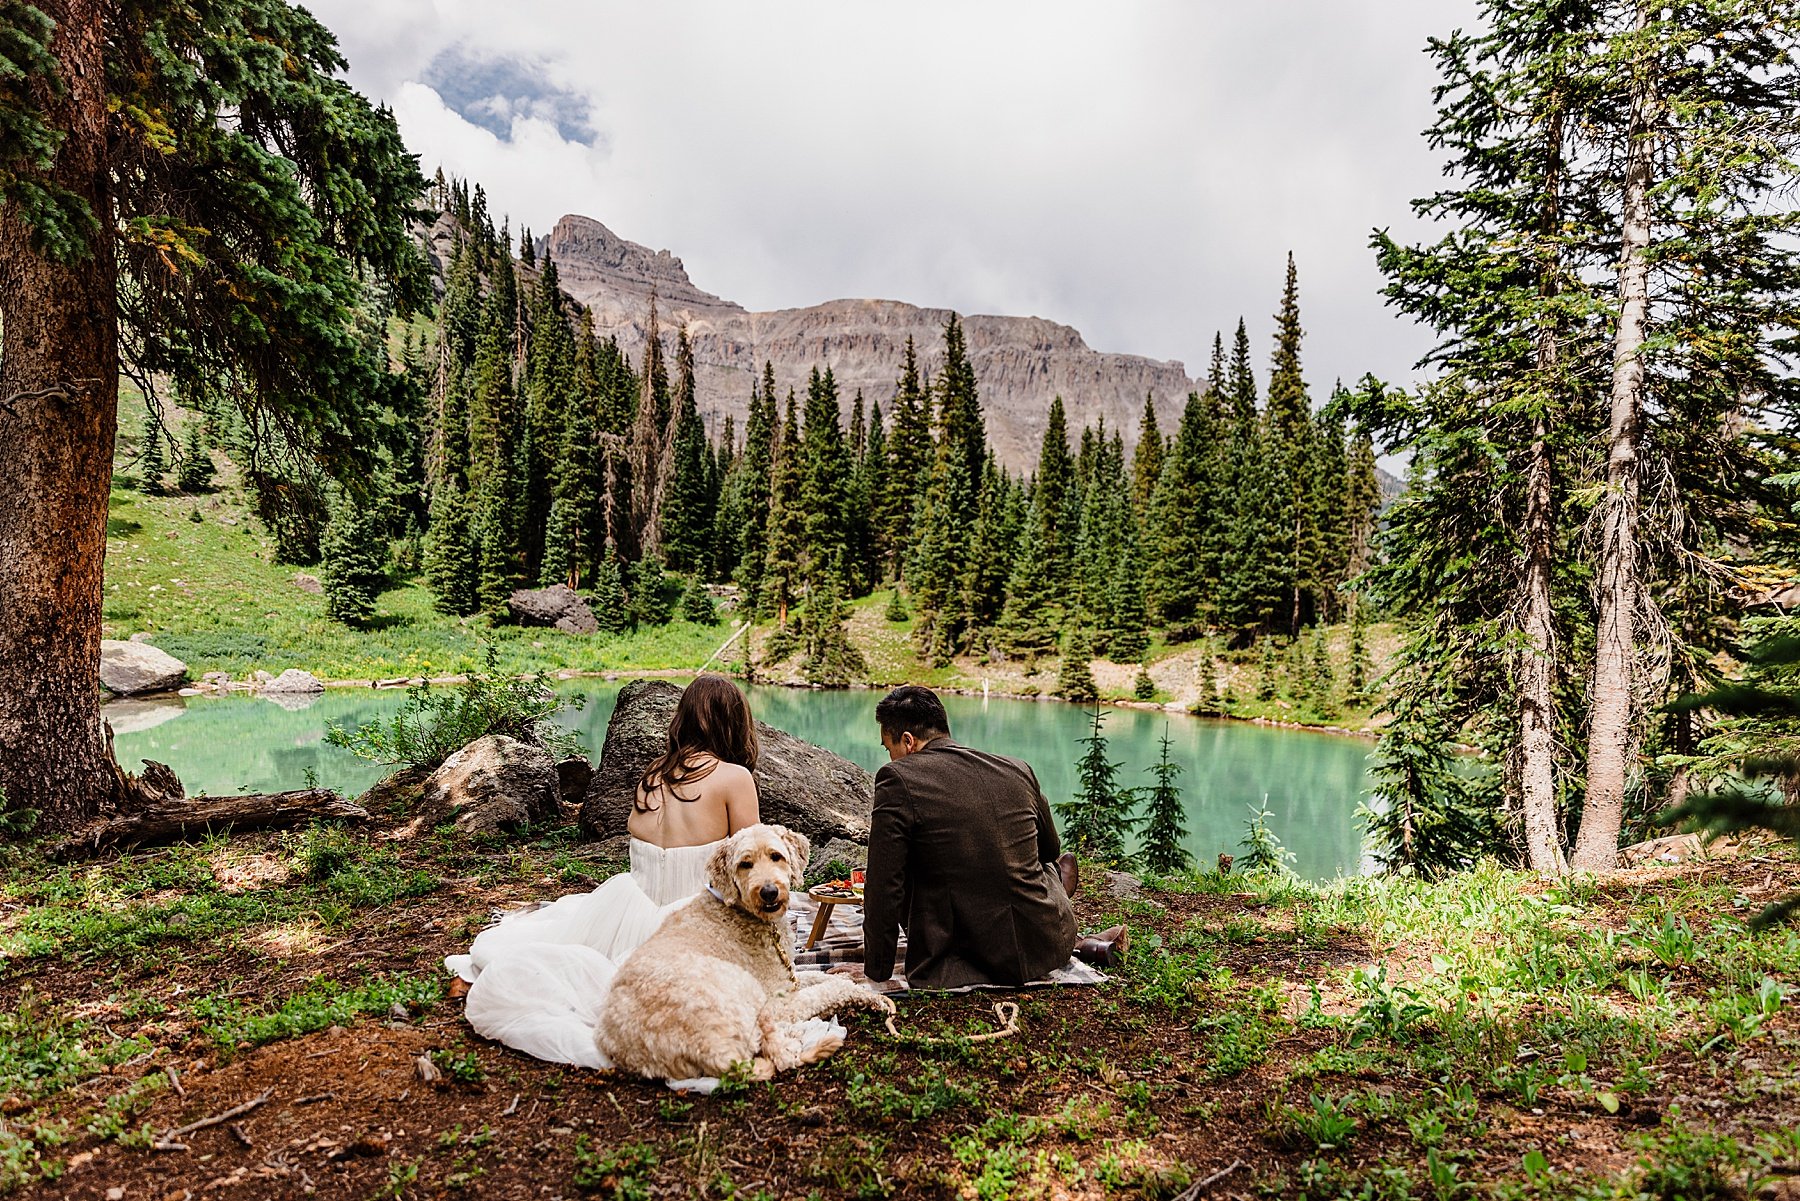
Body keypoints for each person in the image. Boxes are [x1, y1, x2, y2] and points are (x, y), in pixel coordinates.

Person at [443, 674, 762, 1066]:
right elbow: (753, 862)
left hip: (629, 905)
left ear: (685, 718)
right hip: (690, 918)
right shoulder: (734, 778)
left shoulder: (654, 774)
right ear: (734, 721)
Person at [861, 684, 1125, 990]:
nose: (890, 757)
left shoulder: (898, 778)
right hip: (1046, 946)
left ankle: (1057, 888)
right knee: (1044, 864)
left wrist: (877, 971)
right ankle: (1058, 894)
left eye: (888, 747)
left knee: (914, 868)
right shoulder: (1017, 768)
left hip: (960, 960)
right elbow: (1050, 848)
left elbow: (883, 883)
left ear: (908, 741)